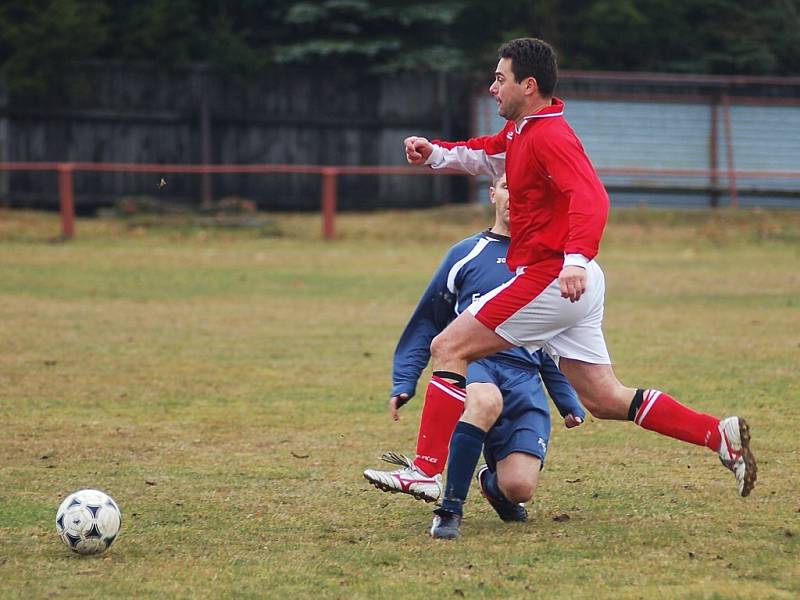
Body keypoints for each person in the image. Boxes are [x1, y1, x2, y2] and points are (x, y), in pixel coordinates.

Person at [400, 37, 756, 519]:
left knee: (449, 348)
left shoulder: (550, 136)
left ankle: (425, 471)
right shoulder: (524, 131)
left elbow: (592, 199)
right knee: (605, 397)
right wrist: (433, 153)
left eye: (499, 79)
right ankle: (720, 435)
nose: (492, 88)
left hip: (555, 276)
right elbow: (485, 153)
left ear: (528, 85)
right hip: (571, 279)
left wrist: (574, 260)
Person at [363, 174, 586, 539]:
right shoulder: (466, 253)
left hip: (525, 378)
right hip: (475, 363)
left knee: (520, 487)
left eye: (529, 190)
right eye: (508, 186)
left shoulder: (550, 263)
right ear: (493, 193)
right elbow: (428, 319)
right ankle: (449, 509)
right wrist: (405, 379)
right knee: (484, 400)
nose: (518, 196)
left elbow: (552, 339)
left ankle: (492, 484)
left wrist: (566, 399)